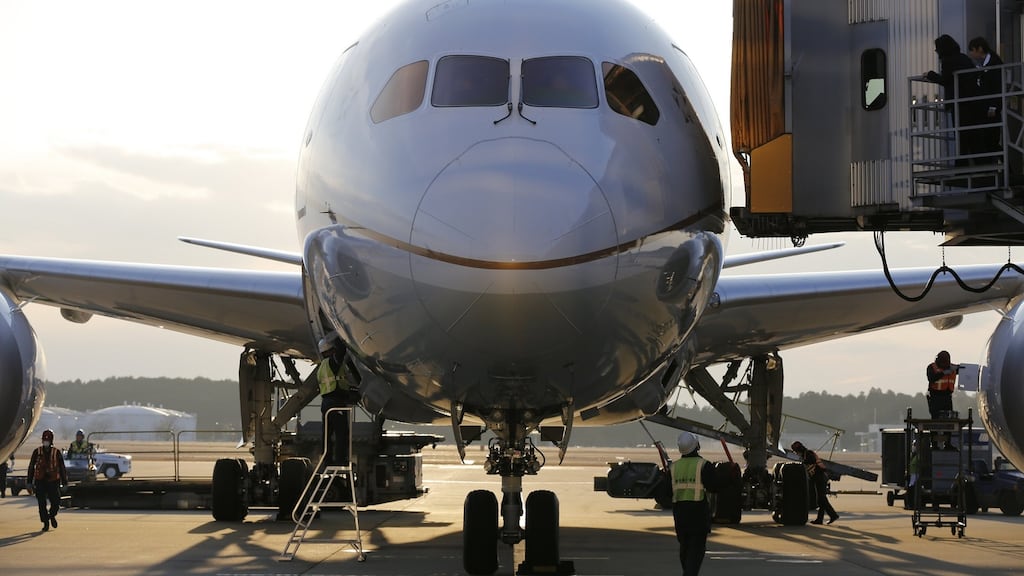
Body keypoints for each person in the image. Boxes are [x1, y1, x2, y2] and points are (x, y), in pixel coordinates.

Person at [670, 431, 731, 576]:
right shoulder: (703, 465)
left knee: (685, 549)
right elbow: (714, 486)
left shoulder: (674, 467)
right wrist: (730, 477)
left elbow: (666, 492)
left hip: (680, 514)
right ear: (697, 446)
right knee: (696, 551)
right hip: (697, 513)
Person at [925, 34, 978, 164]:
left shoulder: (948, 61)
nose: (936, 51)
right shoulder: (964, 58)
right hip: (973, 101)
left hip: (959, 103)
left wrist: (930, 75)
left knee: (960, 135)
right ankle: (977, 161)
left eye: (937, 48)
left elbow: (945, 80)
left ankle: (962, 164)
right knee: (972, 134)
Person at [317, 331, 360, 465]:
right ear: (330, 350)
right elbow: (341, 350)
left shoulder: (321, 367)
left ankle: (327, 461)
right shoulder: (332, 363)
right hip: (335, 403)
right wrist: (340, 334)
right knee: (342, 433)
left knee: (327, 435)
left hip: (326, 404)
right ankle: (341, 460)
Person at [967, 36, 1004, 157]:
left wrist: (994, 106)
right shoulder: (985, 64)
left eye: (973, 50)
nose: (971, 53)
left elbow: (996, 85)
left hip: (991, 107)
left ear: (980, 49)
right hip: (986, 106)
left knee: (991, 139)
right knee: (988, 140)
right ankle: (1001, 168)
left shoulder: (994, 63)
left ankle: (1004, 168)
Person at [27, 429, 68, 532]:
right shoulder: (37, 452)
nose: (46, 442)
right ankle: (45, 522)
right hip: (40, 481)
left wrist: (65, 482)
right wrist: (29, 482)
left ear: (51, 441)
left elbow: (62, 468)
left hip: (53, 481)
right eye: (44, 440)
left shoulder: (56, 452)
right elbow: (31, 467)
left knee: (56, 502)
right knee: (41, 503)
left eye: (48, 440)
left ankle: (52, 515)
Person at [791, 441, 839, 525]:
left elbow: (811, 463)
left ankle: (831, 515)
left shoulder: (808, 454)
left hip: (820, 478)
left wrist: (803, 464)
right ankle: (824, 518)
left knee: (822, 499)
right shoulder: (806, 454)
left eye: (795, 451)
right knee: (821, 500)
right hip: (818, 478)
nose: (795, 453)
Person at [926, 350, 958, 419]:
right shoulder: (932, 368)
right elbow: (931, 378)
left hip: (947, 397)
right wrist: (944, 373)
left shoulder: (952, 368)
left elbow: (963, 369)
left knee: (948, 419)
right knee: (935, 418)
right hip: (935, 397)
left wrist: (958, 368)